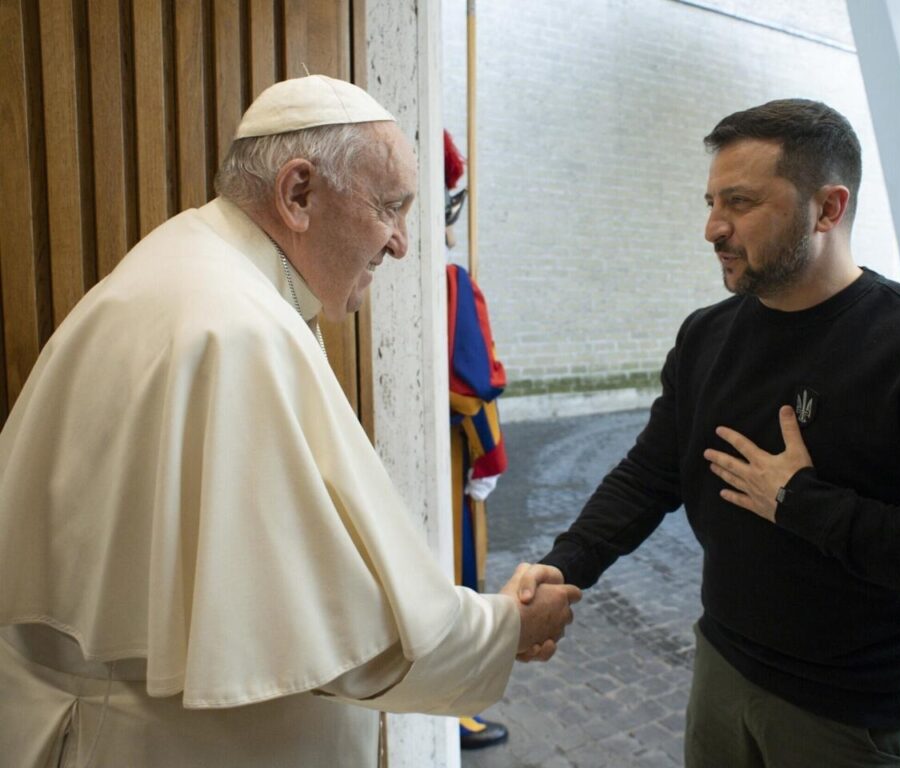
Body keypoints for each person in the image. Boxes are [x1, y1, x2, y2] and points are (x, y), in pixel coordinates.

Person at [0, 75, 580, 768]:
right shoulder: (238, 328)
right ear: (298, 193)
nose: (400, 244)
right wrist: (506, 627)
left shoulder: (182, 262)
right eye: (391, 208)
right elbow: (341, 634)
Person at [518, 99, 900, 767]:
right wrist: (564, 563)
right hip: (722, 670)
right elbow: (651, 472)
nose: (712, 227)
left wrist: (804, 504)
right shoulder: (708, 335)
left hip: (851, 715)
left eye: (741, 202)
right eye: (710, 201)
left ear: (828, 208)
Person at [442, 130, 514, 750]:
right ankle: (459, 710)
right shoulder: (450, 281)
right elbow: (473, 381)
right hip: (447, 453)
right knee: (460, 572)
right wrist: (490, 454)